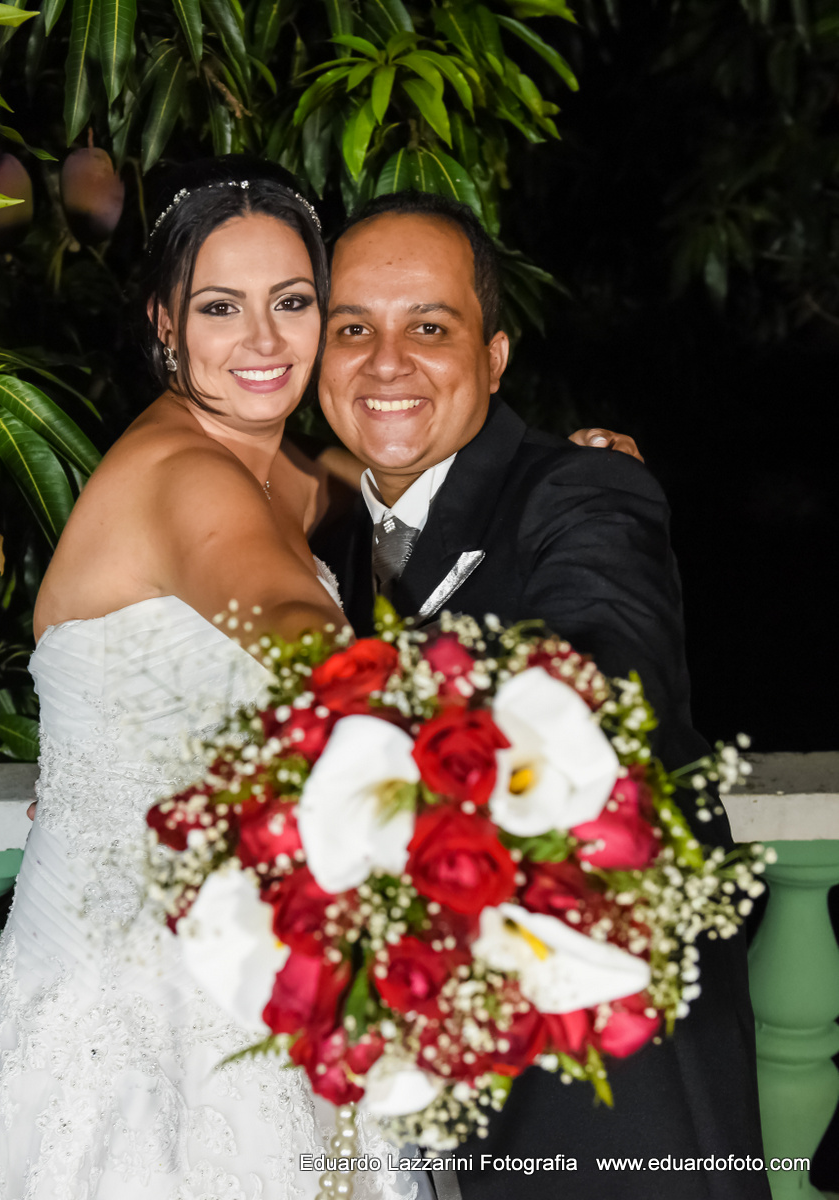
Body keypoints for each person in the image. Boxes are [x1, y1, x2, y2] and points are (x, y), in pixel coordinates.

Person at [0, 156, 638, 1200]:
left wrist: (574, 470)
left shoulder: (294, 474)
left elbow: (447, 503)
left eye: (293, 303)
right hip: (136, 1039)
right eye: (220, 308)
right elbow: (285, 618)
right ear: (163, 323)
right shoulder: (185, 474)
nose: (263, 343)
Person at [312, 190, 769, 1200]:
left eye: (429, 326)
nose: (386, 362)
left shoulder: (580, 490)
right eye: (353, 329)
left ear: (496, 355)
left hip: (604, 1096)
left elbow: (605, 674)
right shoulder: (314, 546)